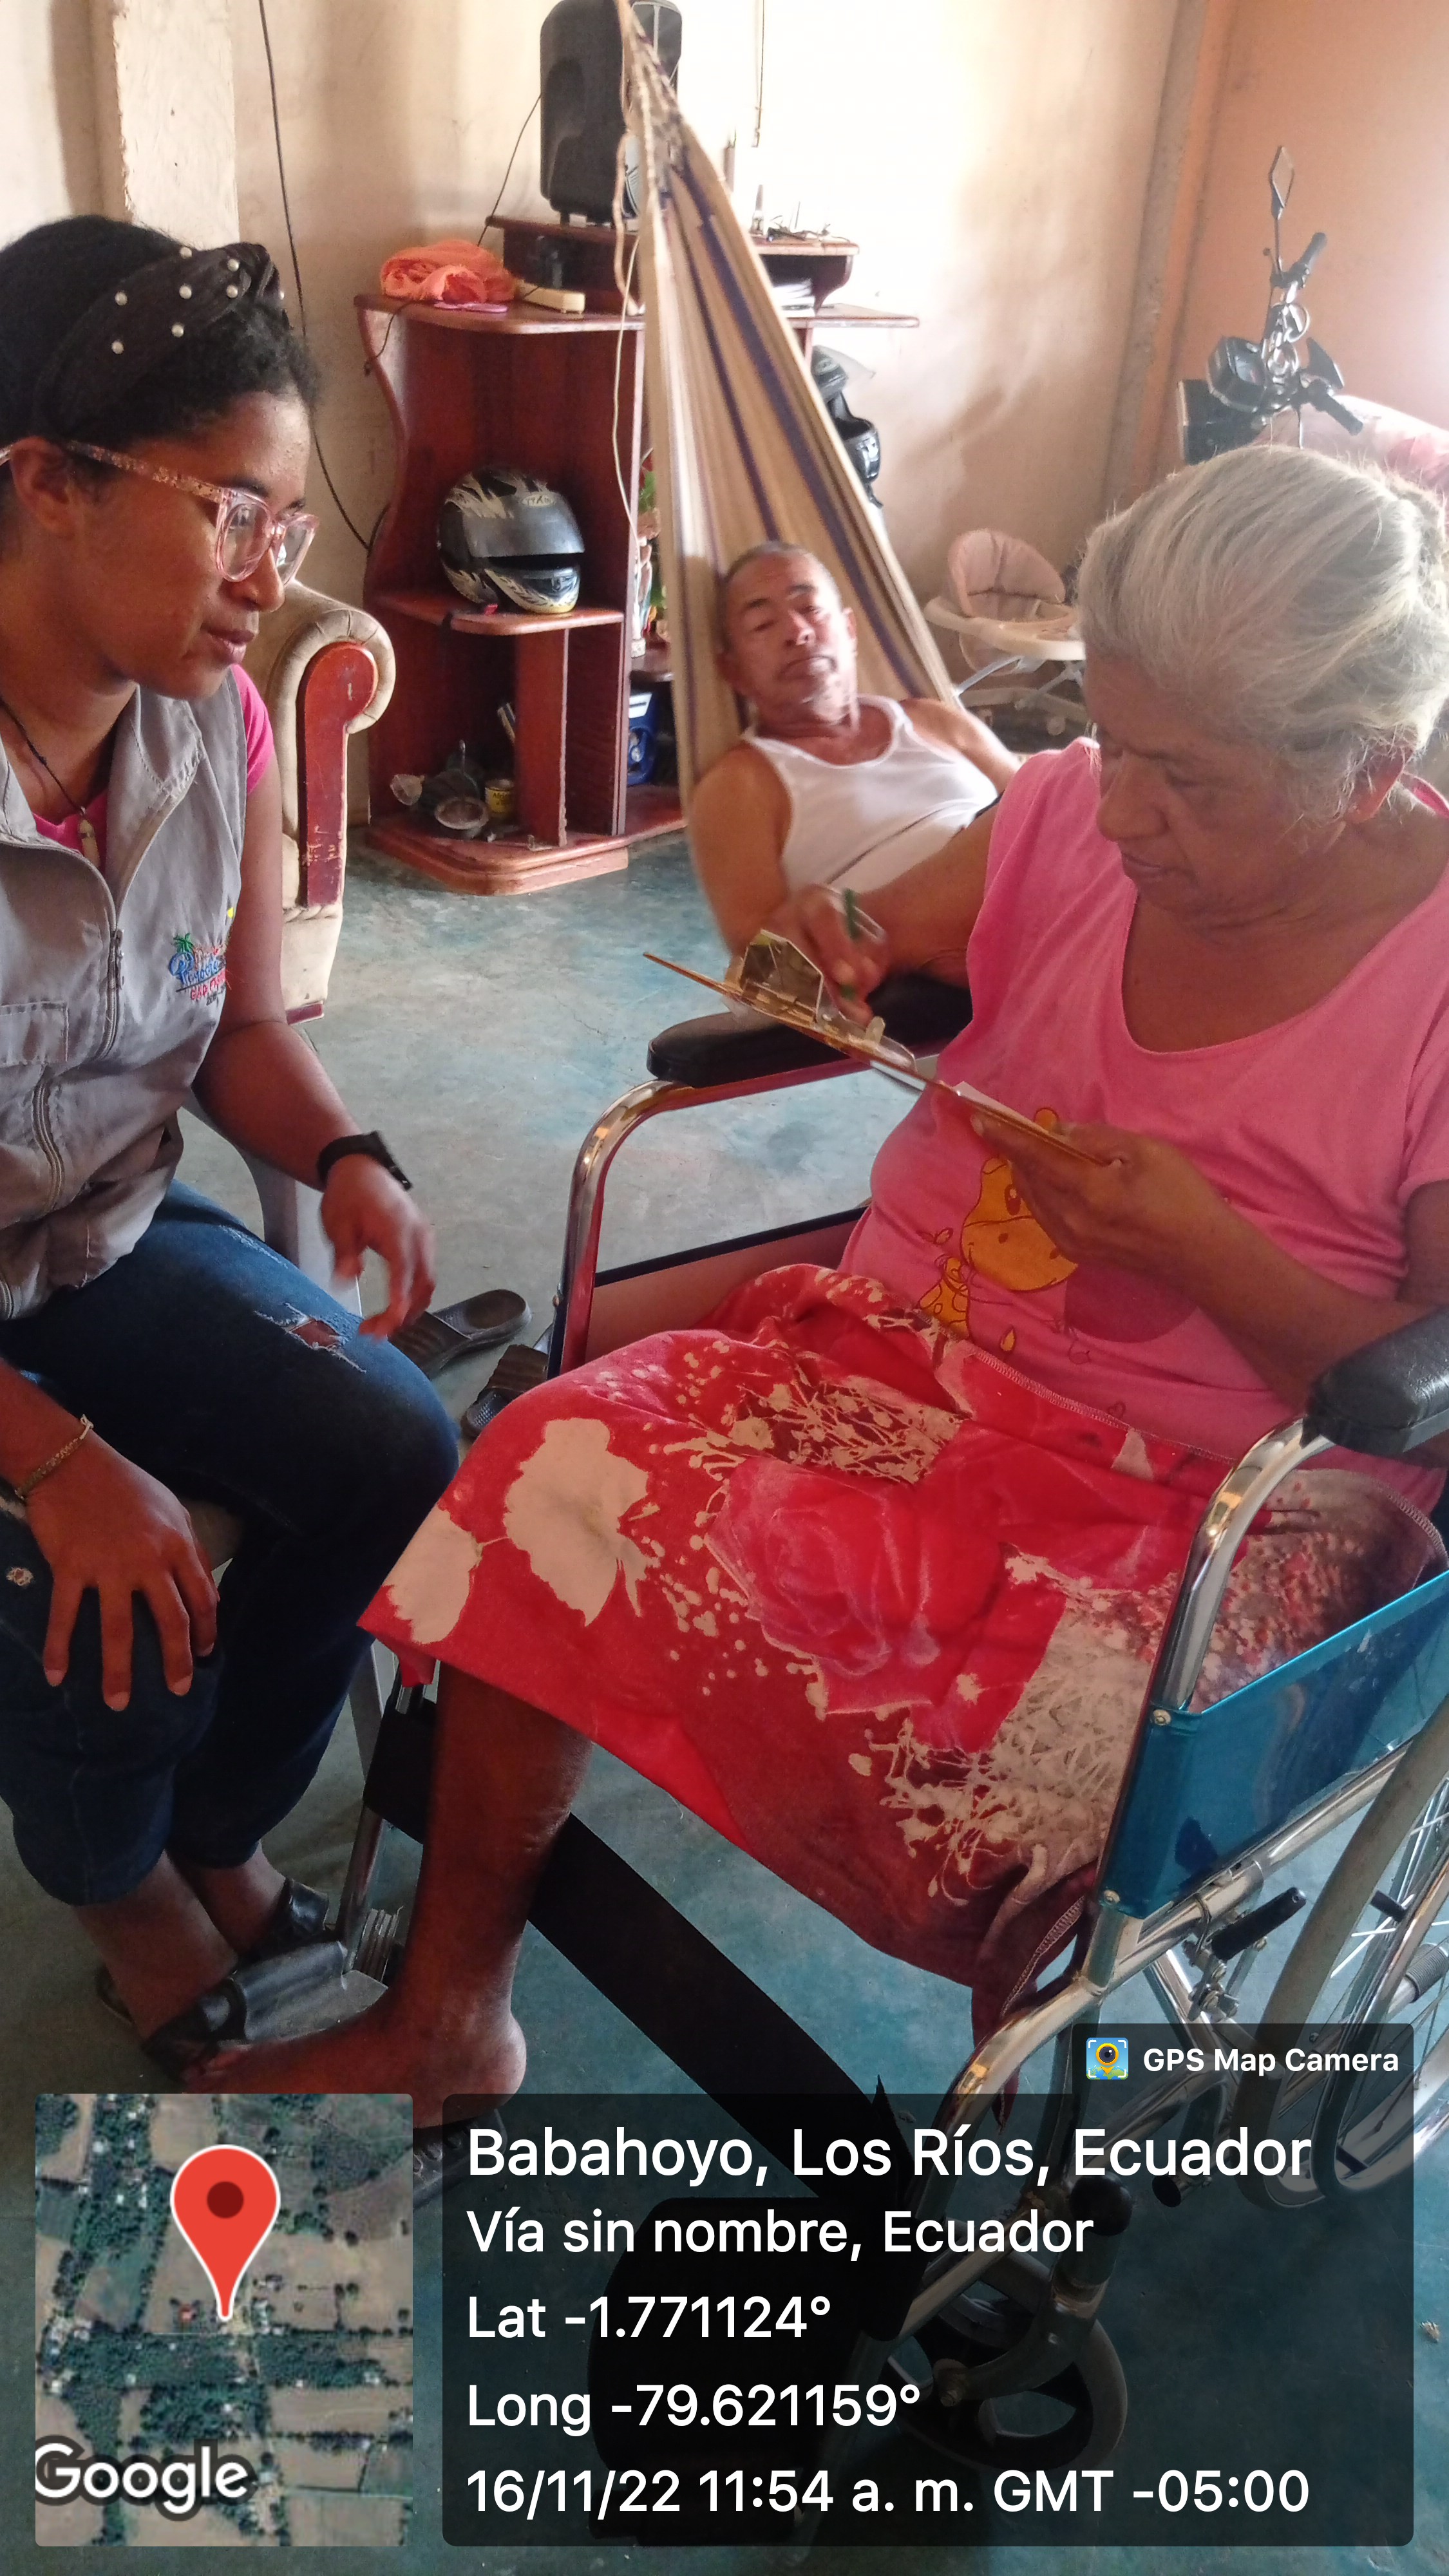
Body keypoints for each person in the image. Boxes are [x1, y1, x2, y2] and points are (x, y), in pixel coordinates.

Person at [202, 444, 1449, 2122]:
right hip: (903, 1366)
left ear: (1370, 773)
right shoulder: (1071, 812)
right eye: (1117, 741)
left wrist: (1202, 1254)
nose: (1121, 809)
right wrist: (827, 949)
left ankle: (1026, 2154)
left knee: (1050, 1784)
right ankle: (448, 2021)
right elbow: (849, 940)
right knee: (553, 1462)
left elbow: (1428, 1397)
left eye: (1191, 783)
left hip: (1226, 1506)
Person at [0, 215, 458, 2063]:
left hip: (95, 1231)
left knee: (393, 1444)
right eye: (232, 515)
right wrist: (53, 1458)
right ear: (49, 485)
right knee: (103, 1576)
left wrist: (349, 1157)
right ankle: (117, 1884)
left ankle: (212, 1823)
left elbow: (244, 1028)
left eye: (288, 525)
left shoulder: (218, 729)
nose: (269, 577)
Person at [689, 542, 1020, 952]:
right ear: (733, 671)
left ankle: (875, 931)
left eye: (810, 609)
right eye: (762, 625)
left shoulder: (932, 720)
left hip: (1036, 904)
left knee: (1068, 777)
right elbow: (764, 963)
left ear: (849, 630)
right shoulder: (740, 786)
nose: (797, 631)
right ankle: (876, 937)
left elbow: (1046, 802)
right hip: (936, 968)